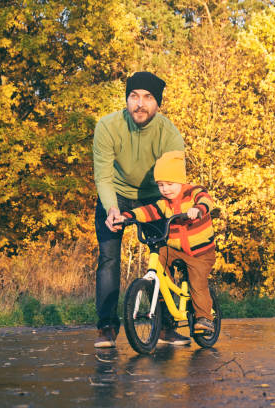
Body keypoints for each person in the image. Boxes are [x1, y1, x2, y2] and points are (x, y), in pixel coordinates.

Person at [93, 71, 187, 348]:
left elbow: (175, 183)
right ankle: (107, 327)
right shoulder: (107, 127)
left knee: (164, 256)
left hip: (154, 197)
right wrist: (112, 209)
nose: (140, 104)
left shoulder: (169, 135)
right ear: (126, 99)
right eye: (134, 96)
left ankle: (166, 327)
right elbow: (103, 176)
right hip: (116, 195)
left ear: (158, 104)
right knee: (109, 258)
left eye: (147, 98)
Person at [117, 150, 217, 334]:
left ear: (181, 180)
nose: (165, 189)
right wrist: (127, 216)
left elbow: (206, 200)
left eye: (170, 184)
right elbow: (149, 211)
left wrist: (198, 209)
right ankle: (162, 294)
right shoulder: (165, 203)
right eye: (161, 185)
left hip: (200, 253)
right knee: (159, 254)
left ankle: (204, 318)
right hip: (176, 249)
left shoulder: (194, 192)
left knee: (197, 283)